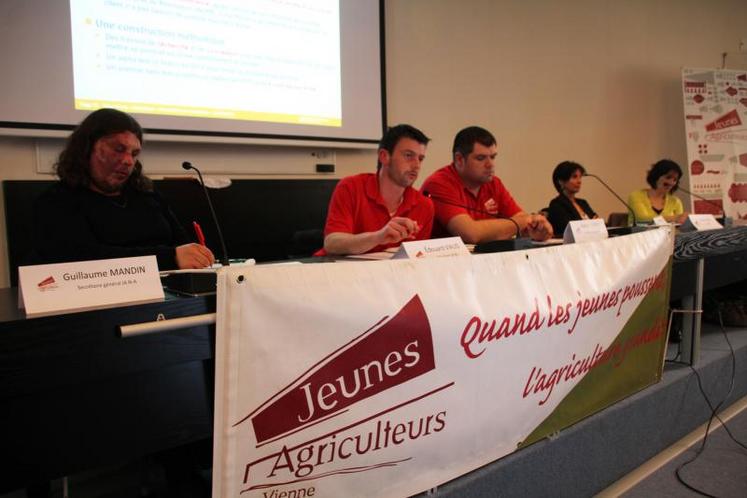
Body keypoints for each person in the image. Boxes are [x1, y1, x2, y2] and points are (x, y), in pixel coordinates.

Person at [32, 108, 214, 270]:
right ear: (87, 148)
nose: (128, 161)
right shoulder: (57, 201)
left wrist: (195, 255)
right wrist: (170, 258)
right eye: (118, 149)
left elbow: (182, 244)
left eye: (134, 154)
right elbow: (83, 261)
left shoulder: (147, 197)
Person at [420, 126, 552, 243]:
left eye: (493, 157)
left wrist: (536, 229)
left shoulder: (493, 183)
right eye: (481, 158)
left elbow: (524, 221)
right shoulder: (439, 183)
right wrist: (521, 223)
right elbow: (471, 234)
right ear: (459, 159)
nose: (490, 165)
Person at [320, 124, 434, 255]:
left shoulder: (424, 205)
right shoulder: (350, 187)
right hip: (339, 270)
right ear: (384, 156)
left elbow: (418, 257)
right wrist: (378, 237)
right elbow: (332, 243)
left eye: (420, 158)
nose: (417, 165)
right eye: (408, 155)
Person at [627, 159, 688, 225]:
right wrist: (675, 218)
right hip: (639, 235)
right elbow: (643, 219)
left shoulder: (676, 201)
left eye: (675, 180)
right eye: (668, 177)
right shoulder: (636, 196)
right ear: (656, 176)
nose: (671, 182)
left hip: (668, 235)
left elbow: (679, 224)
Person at [546, 161, 598, 235]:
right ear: (561, 181)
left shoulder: (583, 202)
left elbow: (596, 220)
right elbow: (568, 230)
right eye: (574, 177)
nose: (579, 181)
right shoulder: (557, 204)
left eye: (580, 177)